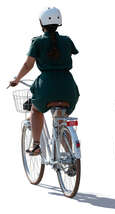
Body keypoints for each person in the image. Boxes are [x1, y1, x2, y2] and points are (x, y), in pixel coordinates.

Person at [9, 7, 80, 156]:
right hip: (68, 87)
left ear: (41, 23)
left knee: (35, 110)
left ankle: (36, 146)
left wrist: (17, 79)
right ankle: (70, 155)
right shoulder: (66, 40)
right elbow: (73, 51)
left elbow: (28, 65)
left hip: (47, 86)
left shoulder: (37, 42)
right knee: (60, 122)